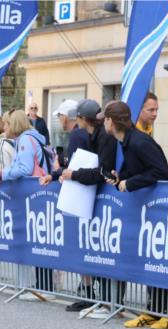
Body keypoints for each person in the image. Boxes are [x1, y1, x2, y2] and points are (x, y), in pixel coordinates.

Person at [101, 100, 168, 329]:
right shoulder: (126, 141)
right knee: (150, 259)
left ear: (111, 121)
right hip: (147, 209)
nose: (103, 123)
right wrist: (119, 177)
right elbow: (137, 169)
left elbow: (161, 172)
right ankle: (154, 310)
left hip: (162, 208)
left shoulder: (140, 142)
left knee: (163, 259)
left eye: (104, 118)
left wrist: (130, 182)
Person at [41, 99, 121, 315]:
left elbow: (94, 170)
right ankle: (95, 296)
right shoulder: (94, 135)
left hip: (97, 195)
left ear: (83, 120)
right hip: (90, 194)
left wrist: (70, 174)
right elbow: (80, 165)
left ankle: (105, 300)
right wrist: (57, 174)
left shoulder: (98, 136)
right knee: (92, 246)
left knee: (101, 247)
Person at [0, 109, 54, 297]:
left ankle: (44, 288)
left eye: (6, 124)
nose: (4, 127)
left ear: (14, 125)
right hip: (40, 193)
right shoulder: (34, 138)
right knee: (40, 238)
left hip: (34, 193)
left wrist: (3, 174)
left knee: (39, 239)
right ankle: (43, 286)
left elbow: (24, 168)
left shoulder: (25, 140)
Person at [52, 99, 89, 168]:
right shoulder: (80, 131)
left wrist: (57, 168)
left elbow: (73, 165)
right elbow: (70, 158)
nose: (59, 119)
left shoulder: (77, 134)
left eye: (59, 115)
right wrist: (61, 157)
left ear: (64, 117)